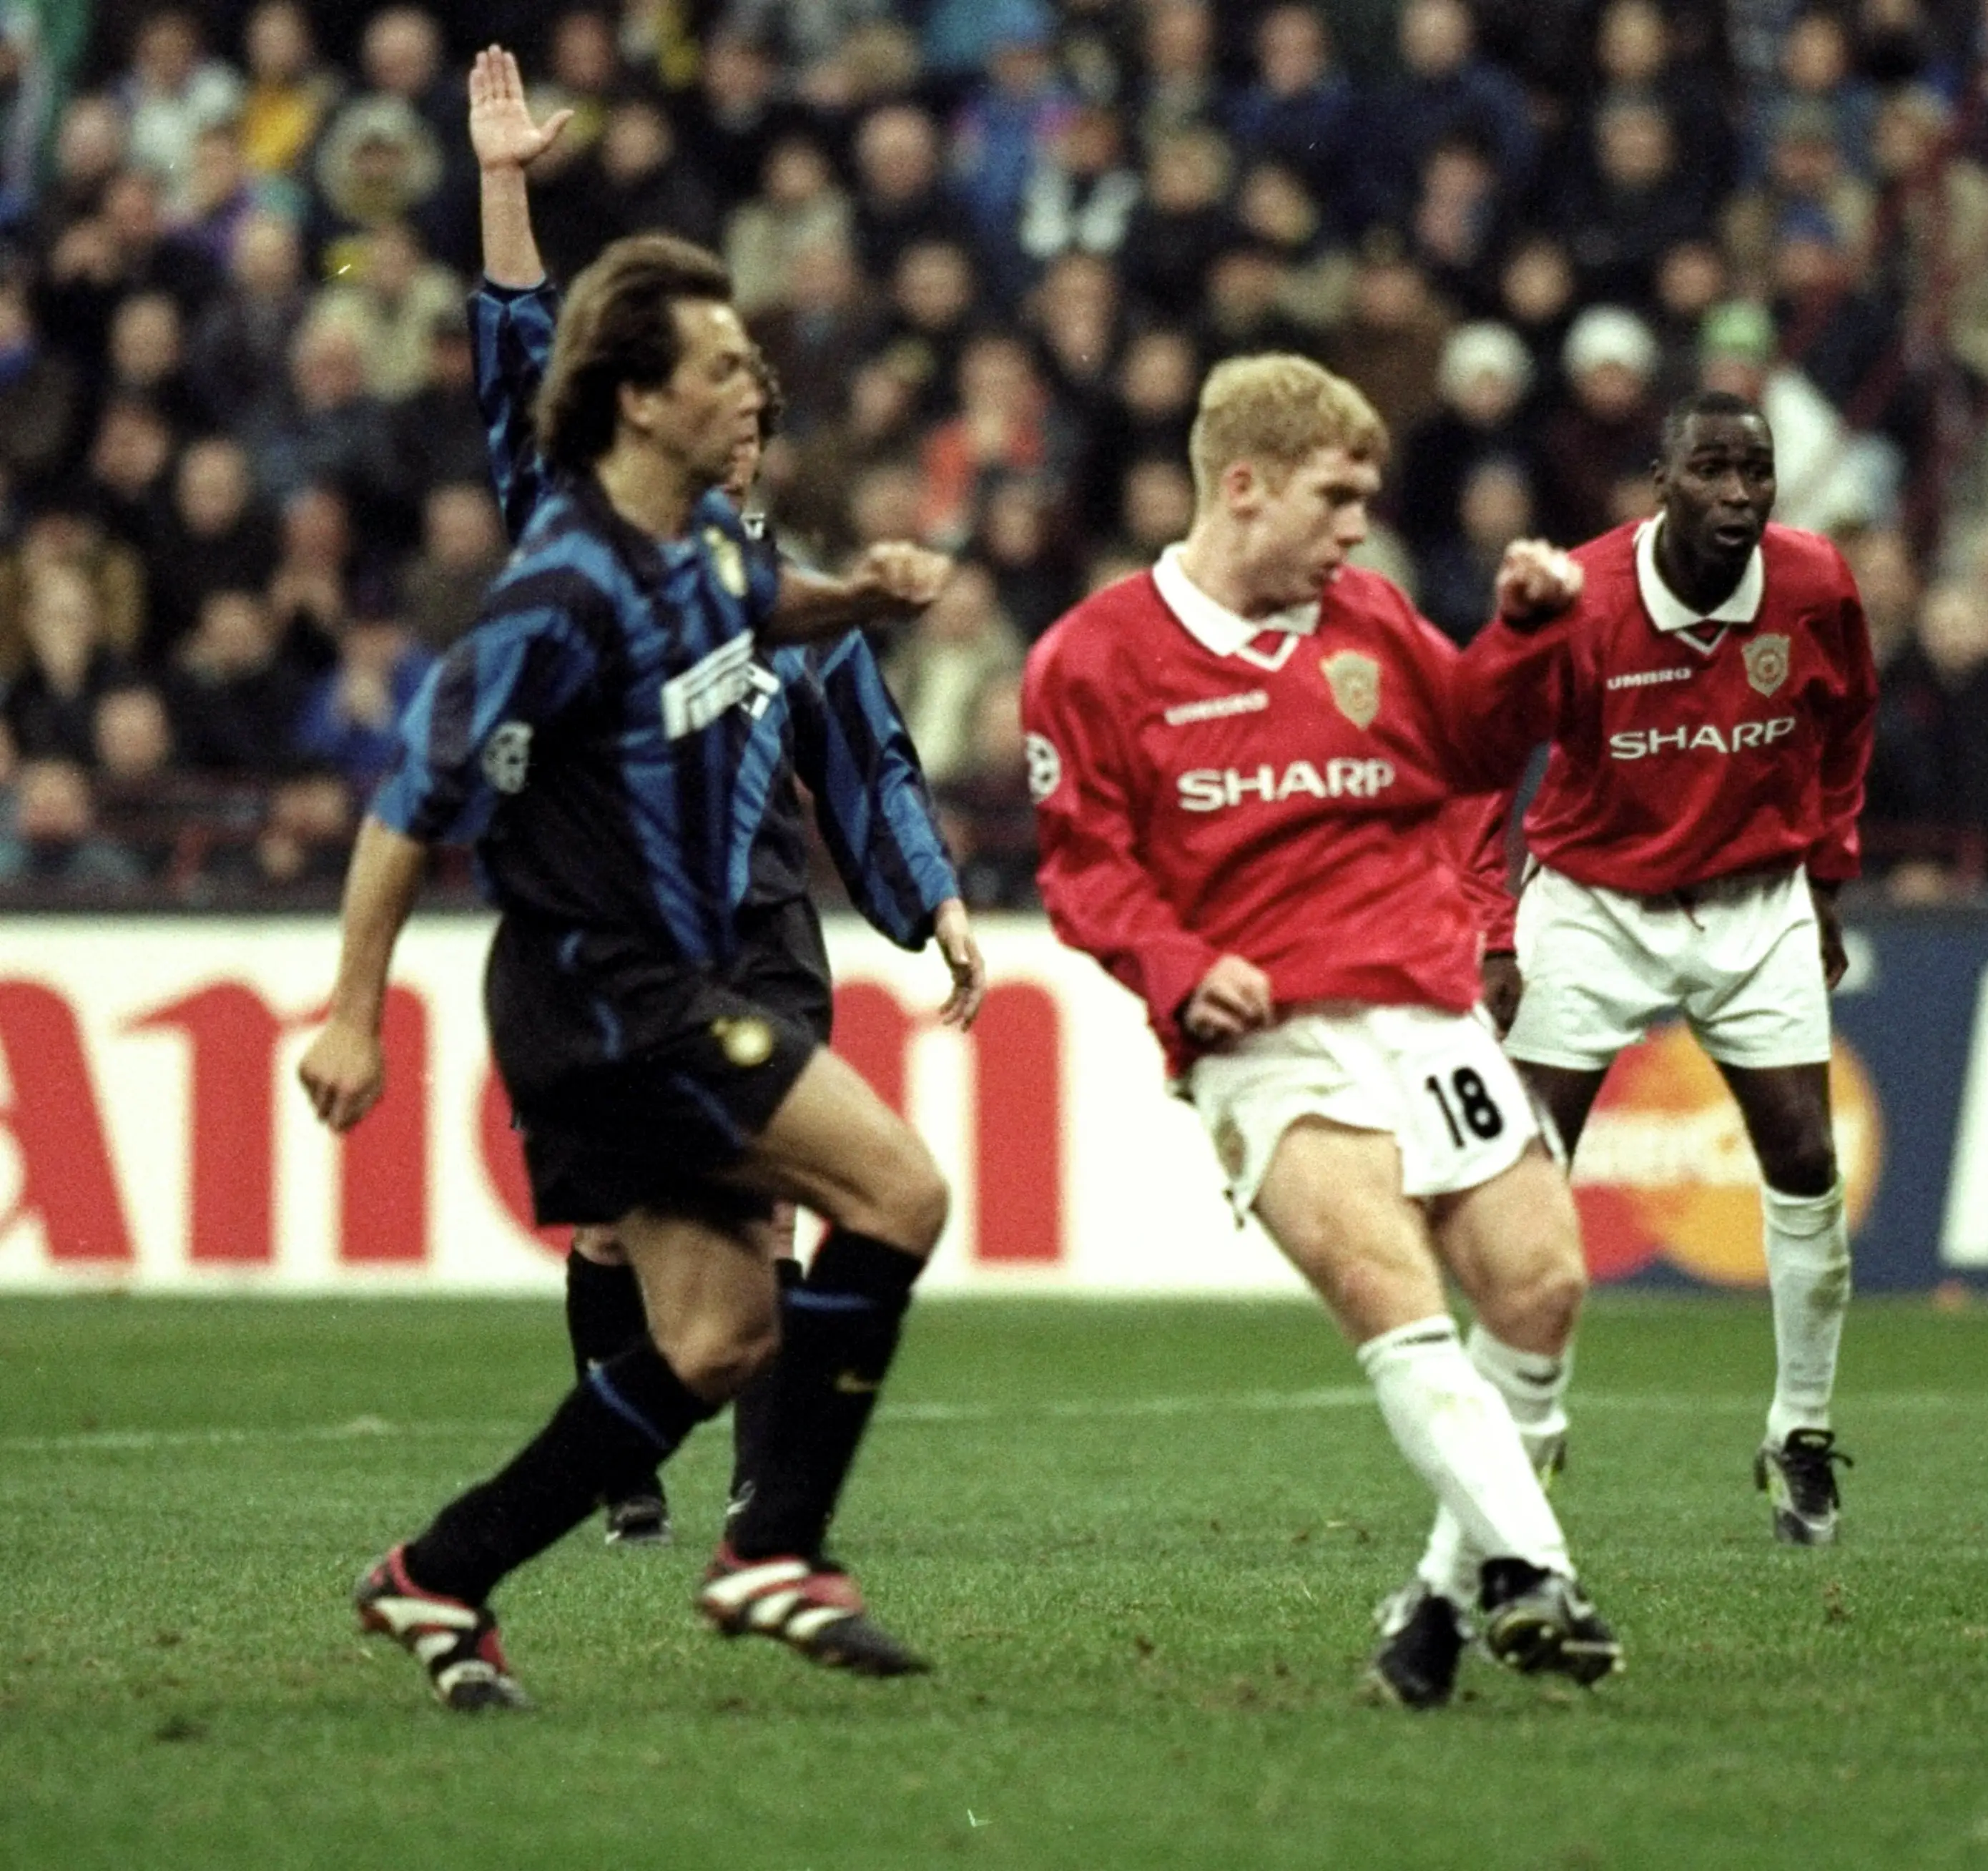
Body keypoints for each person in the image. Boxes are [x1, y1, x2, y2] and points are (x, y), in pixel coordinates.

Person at [300, 227, 982, 1714]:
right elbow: (409, 799)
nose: (752, 386)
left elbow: (764, 607)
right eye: (722, 366)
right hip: (611, 996)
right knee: (900, 1194)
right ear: (641, 401)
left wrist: (859, 598)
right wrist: (352, 1014)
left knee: (721, 1335)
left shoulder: (710, 550)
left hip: (661, 990)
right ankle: (778, 1550)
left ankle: (442, 1570)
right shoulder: (562, 587)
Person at [1020, 352, 1623, 1711]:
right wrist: (1179, 965)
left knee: (1541, 1290)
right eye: (1337, 498)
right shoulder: (1095, 659)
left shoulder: (1368, 617)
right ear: (1245, 487)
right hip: (1267, 1031)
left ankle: (1440, 1603)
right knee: (1391, 1291)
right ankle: (1536, 1572)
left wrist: (1523, 633)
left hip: (1424, 1003)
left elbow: (1471, 750)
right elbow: (1083, 870)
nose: (1358, 527)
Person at [464, 44, 972, 1552]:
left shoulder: (781, 590)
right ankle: (621, 1476)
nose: (737, 415)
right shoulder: (588, 542)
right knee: (629, 1223)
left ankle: (767, 1502)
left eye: (752, 398)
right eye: (718, 391)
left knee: (783, 1216)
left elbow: (865, 751)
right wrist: (504, 189)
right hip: (629, 937)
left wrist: (933, 895)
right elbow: (520, 370)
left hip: (759, 925)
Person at [1454, 388, 1877, 1552]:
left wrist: (1826, 881)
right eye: (1712, 472)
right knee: (1528, 1181)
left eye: (1756, 471)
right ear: (1662, 482)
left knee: (1806, 1163)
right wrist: (1494, 929)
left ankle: (1800, 1434)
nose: (1739, 493)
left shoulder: (1814, 585)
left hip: (1755, 905)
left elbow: (1848, 729)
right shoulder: (1582, 599)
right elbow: (1488, 766)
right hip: (1593, 906)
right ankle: (1517, 1437)